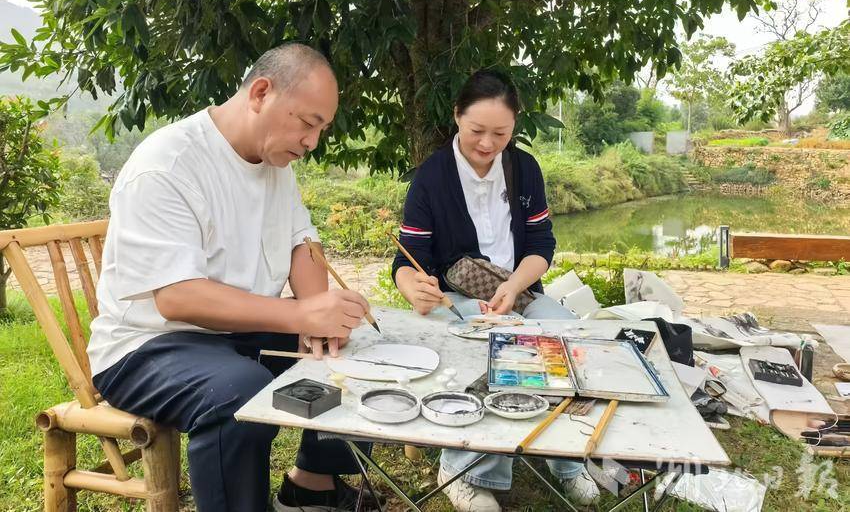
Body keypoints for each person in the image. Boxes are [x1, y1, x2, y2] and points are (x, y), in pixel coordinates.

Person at [87, 44, 377, 512]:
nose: (312, 142)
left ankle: (313, 483)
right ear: (261, 93)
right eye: (308, 123)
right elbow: (177, 297)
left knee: (351, 350)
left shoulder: (275, 162)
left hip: (239, 331)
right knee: (237, 391)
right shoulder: (168, 163)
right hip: (148, 346)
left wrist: (319, 322)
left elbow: (303, 243)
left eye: (321, 129)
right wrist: (300, 314)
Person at [392, 70, 600, 511]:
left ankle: (566, 459)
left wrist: (513, 285)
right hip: (458, 298)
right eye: (477, 131)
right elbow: (407, 259)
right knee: (492, 347)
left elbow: (541, 246)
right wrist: (413, 287)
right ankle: (465, 471)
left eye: (500, 133)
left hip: (519, 291)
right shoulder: (431, 178)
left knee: (567, 338)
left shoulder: (524, 169)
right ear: (456, 117)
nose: (487, 144)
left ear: (514, 126)